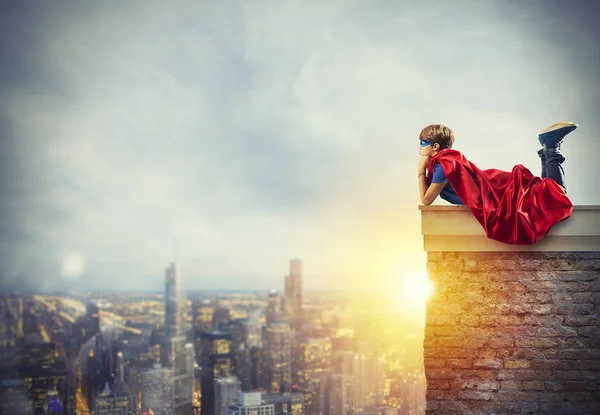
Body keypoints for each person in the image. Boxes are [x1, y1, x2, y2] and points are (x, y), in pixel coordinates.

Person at [417, 122, 577, 245]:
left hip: (498, 195)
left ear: (435, 146)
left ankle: (551, 148)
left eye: (422, 143)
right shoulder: (449, 160)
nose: (419, 148)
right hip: (496, 186)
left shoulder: (443, 166)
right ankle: (548, 147)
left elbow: (426, 199)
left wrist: (420, 170)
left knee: (556, 194)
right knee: (545, 193)